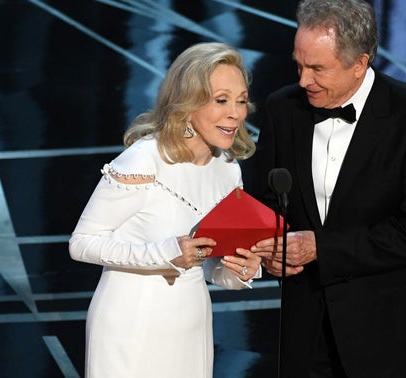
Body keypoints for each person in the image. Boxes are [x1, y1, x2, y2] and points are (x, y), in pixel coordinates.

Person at [251, 0, 406, 378]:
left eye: (318, 69)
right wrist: (271, 253)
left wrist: (318, 248)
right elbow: (269, 201)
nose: (303, 79)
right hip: (306, 332)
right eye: (299, 65)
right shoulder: (282, 109)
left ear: (359, 64)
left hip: (388, 333)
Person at [69, 42, 262, 378]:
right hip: (131, 327)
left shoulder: (228, 171)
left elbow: (213, 267)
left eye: (241, 100)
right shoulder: (143, 160)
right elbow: (82, 242)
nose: (235, 112)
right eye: (221, 100)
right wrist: (166, 253)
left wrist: (239, 270)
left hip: (192, 326)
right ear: (187, 104)